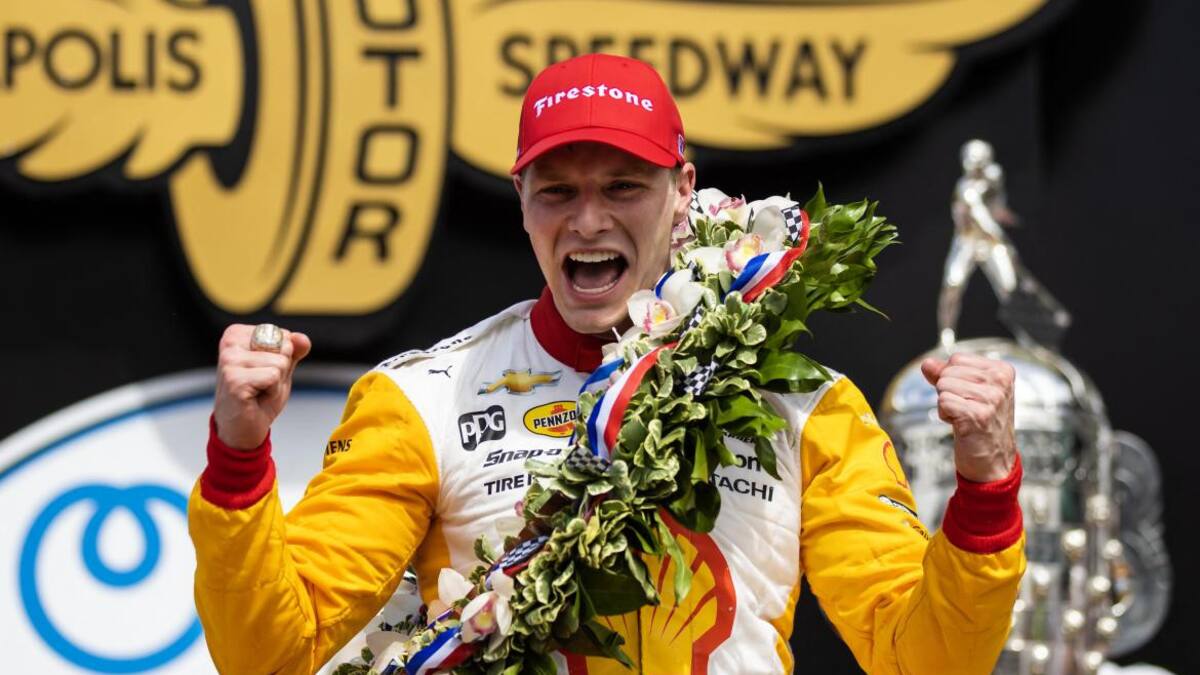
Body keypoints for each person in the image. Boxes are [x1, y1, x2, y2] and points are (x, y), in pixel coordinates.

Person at [189, 54, 1025, 675]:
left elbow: (925, 659)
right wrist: (236, 459)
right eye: (558, 191)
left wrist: (987, 489)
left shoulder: (808, 407)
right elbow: (270, 652)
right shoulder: (422, 398)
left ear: (682, 189)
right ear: (521, 203)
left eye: (623, 187)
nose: (587, 221)